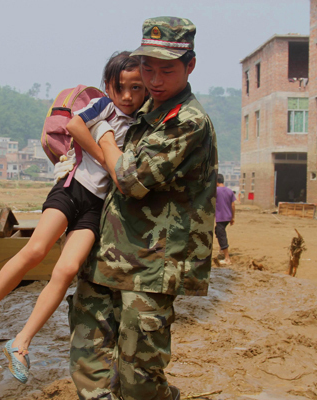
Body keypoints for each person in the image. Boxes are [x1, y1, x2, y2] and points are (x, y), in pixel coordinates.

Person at [0, 52, 147, 385]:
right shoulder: (104, 107)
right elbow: (74, 124)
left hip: (96, 207)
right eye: (121, 87)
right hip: (71, 188)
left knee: (67, 270)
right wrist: (106, 159)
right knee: (35, 250)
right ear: (108, 87)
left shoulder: (144, 122)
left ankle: (21, 343)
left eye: (136, 88)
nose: (128, 96)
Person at [68, 17, 218, 400]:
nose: (154, 79)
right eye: (147, 68)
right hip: (107, 255)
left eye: (166, 70)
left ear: (191, 65)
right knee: (89, 359)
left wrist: (99, 134)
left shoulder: (188, 122)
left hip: (152, 266)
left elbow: (129, 179)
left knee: (139, 377)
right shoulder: (139, 106)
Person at [215, 174, 236, 265]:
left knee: (221, 234)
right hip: (228, 217)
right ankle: (221, 249)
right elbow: (233, 205)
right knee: (218, 231)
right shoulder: (229, 191)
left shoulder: (215, 191)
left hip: (221, 217)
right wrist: (232, 217)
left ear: (216, 182)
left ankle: (227, 258)